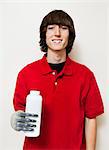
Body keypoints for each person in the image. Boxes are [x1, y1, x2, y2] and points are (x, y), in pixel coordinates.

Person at [11, 10, 104, 150]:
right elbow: (21, 110)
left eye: (64, 28)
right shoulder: (26, 74)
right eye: (51, 28)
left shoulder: (85, 75)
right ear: (44, 34)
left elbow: (91, 118)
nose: (57, 33)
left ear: (70, 35)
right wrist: (16, 118)